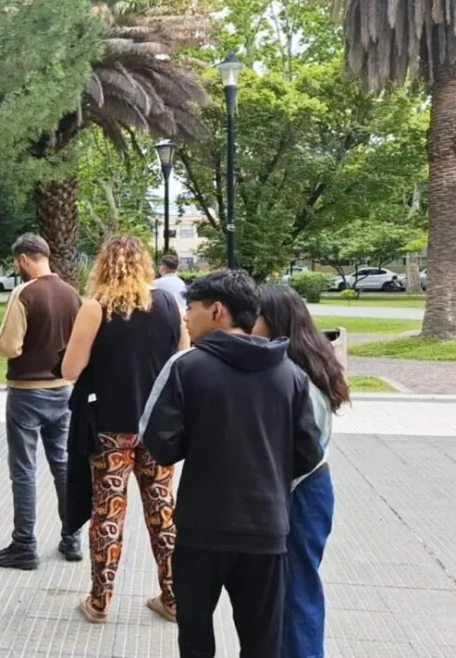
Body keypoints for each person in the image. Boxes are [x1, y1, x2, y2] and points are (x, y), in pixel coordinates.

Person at [139, 270, 324, 658]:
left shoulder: (187, 366)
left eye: (191, 308)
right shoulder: (290, 373)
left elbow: (159, 442)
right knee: (262, 644)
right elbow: (308, 453)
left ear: (217, 310)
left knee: (195, 642)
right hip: (267, 531)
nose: (185, 318)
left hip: (200, 532)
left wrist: (203, 439)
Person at [60, 235, 189, 623]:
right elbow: (182, 362)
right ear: (146, 265)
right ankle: (174, 598)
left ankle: (99, 601)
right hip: (157, 430)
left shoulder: (95, 308)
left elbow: (70, 370)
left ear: (103, 265)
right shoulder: (168, 304)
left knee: (109, 512)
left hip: (111, 428)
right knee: (163, 510)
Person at [254, 285, 347, 658]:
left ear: (275, 323)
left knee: (296, 592)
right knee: (286, 592)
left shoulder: (296, 377)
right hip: (302, 489)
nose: (247, 326)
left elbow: (300, 454)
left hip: (301, 492)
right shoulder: (298, 365)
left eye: (254, 318)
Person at [0, 233, 83, 570]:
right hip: (63, 389)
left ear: (24, 259)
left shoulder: (25, 293)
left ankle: (24, 544)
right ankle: (71, 537)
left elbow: (11, 346)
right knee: (62, 464)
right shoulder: (72, 295)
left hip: (27, 391)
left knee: (24, 469)